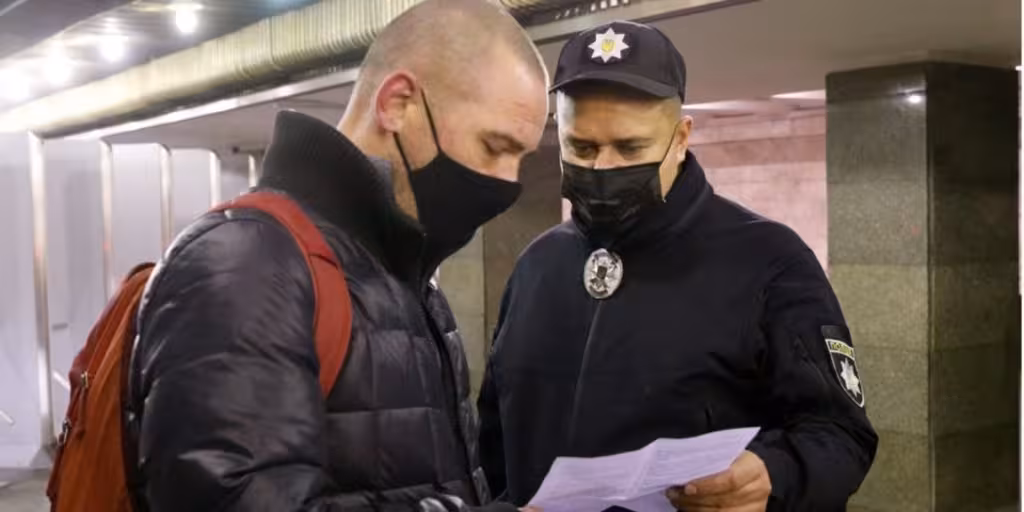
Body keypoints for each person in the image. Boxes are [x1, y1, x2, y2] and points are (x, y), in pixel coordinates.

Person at [125, 1, 549, 510]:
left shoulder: (406, 277)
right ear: (397, 104)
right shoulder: (247, 263)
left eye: (520, 158)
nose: (507, 181)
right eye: (494, 146)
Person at [478, 20, 878, 512]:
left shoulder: (770, 261)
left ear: (682, 137)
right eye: (581, 148)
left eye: (630, 148)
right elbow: (493, 440)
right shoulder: (536, 266)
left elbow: (841, 434)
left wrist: (773, 472)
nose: (602, 168)